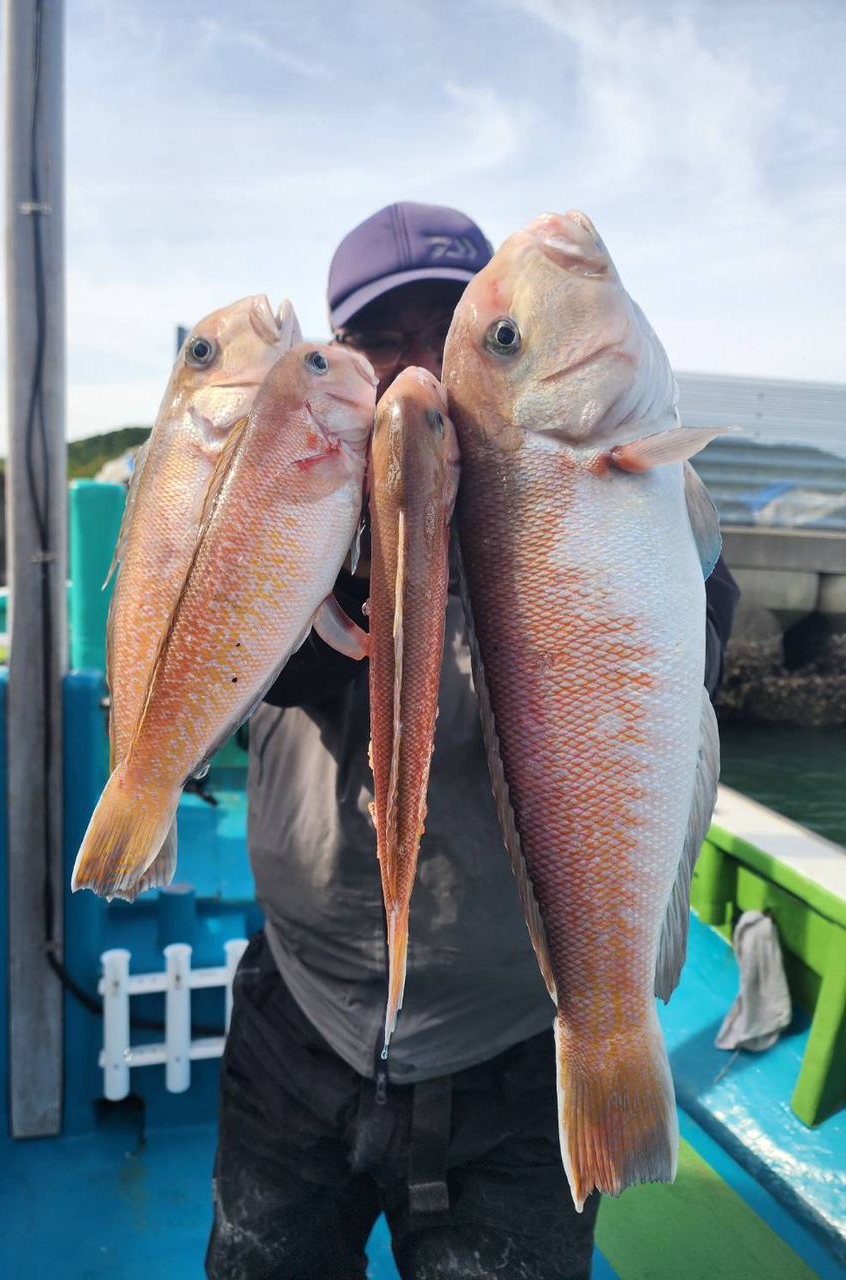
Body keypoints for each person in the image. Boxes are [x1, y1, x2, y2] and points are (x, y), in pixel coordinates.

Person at [206, 202, 741, 1280]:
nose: (412, 367)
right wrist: (341, 575)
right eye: (378, 337)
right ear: (338, 359)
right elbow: (252, 675)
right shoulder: (286, 509)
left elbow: (688, 660)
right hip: (299, 1016)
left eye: (441, 329)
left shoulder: (622, 494)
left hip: (512, 1037)